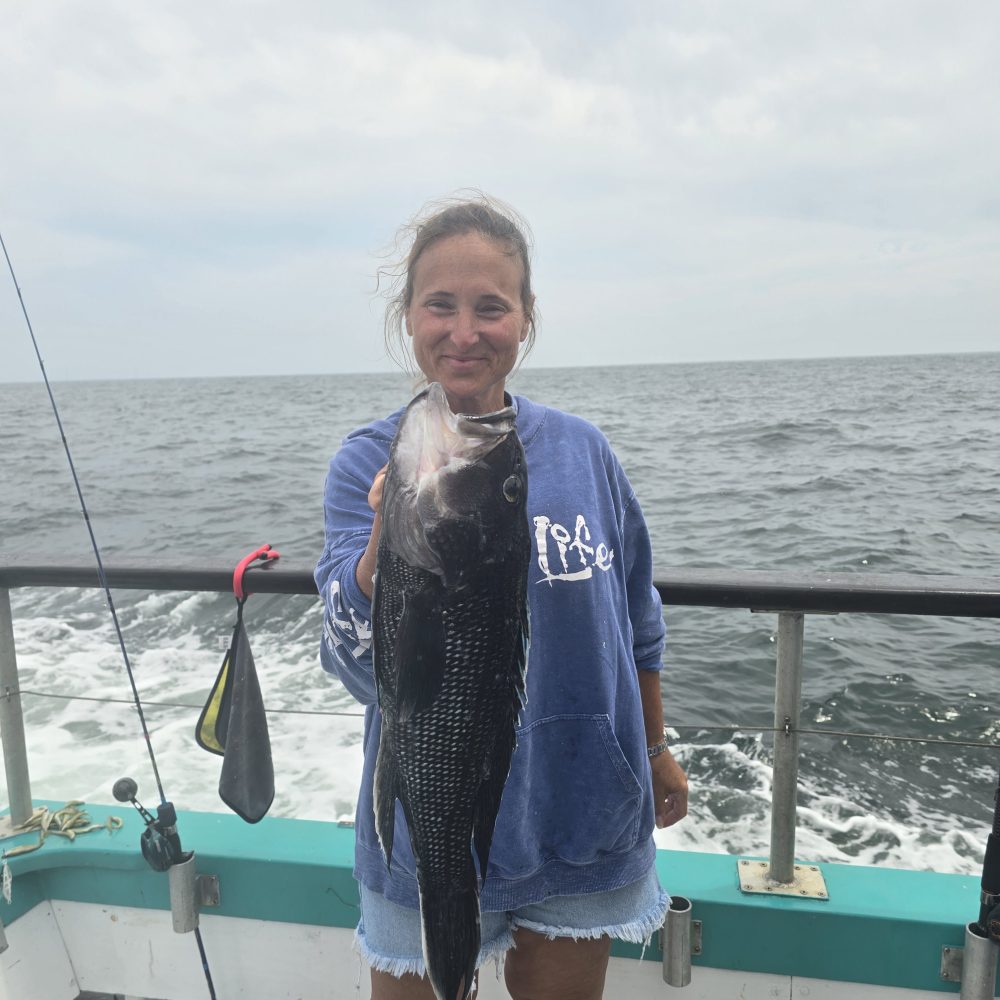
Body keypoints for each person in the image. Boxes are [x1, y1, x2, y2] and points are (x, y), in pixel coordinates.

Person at [315, 194, 688, 1000]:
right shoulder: (363, 465)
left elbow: (635, 619)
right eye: (439, 305)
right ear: (407, 316)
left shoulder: (583, 450)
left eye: (492, 307)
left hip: (581, 799)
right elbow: (352, 663)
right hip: (426, 813)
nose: (464, 331)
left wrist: (655, 749)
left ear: (525, 319)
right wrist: (391, 539)